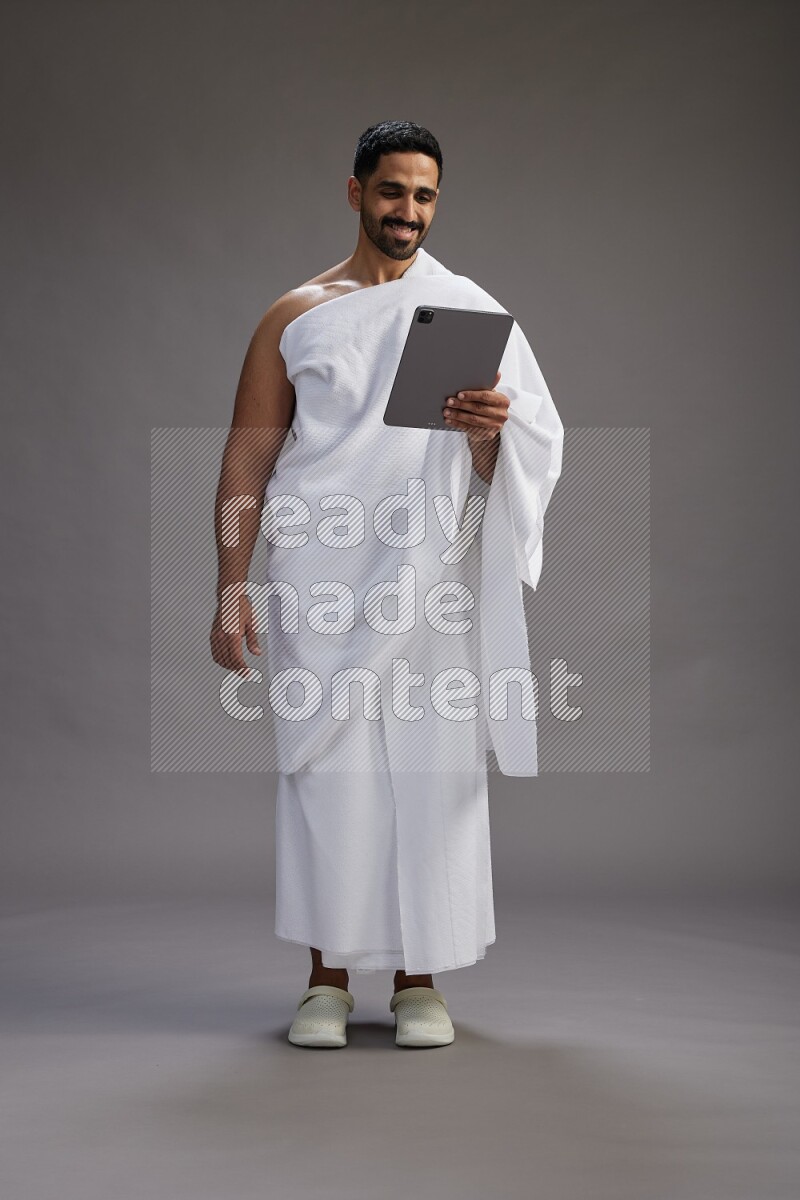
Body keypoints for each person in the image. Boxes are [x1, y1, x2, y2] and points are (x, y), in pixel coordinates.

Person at [209, 120, 563, 1049]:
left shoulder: (469, 311)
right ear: (356, 189)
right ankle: (326, 980)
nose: (409, 212)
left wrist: (492, 435)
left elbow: (508, 465)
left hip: (428, 576)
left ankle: (419, 981)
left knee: (429, 768)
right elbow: (248, 459)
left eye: (425, 195)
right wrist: (231, 586)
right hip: (318, 576)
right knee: (327, 775)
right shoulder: (296, 315)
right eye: (393, 191)